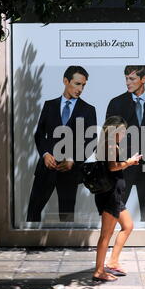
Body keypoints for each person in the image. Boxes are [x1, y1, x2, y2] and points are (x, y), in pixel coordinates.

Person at [27, 66, 97, 222]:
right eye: (77, 83)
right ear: (66, 81)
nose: (80, 89)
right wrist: (45, 154)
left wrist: (73, 159)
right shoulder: (49, 105)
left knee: (66, 217)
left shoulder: (88, 110)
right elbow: (39, 134)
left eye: (83, 85)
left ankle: (65, 246)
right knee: (33, 213)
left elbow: (91, 142)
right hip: (46, 169)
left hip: (70, 172)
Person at [106, 65, 145, 222]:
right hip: (123, 167)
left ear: (144, 79)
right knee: (115, 211)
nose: (128, 82)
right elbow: (108, 138)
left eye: (132, 79)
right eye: (126, 78)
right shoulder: (116, 103)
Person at [92, 116, 142, 282]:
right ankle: (99, 271)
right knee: (106, 235)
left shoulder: (106, 144)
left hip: (114, 195)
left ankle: (112, 262)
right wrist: (129, 162)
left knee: (128, 226)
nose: (124, 134)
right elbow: (113, 167)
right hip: (110, 196)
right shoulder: (110, 144)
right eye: (122, 131)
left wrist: (128, 162)